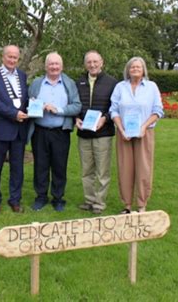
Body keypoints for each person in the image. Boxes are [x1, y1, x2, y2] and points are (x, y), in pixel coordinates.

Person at [109, 57, 164, 214]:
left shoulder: (151, 87)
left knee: (144, 168)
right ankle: (126, 205)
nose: (135, 69)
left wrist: (143, 127)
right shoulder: (120, 87)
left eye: (138, 67)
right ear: (128, 70)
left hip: (144, 133)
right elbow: (113, 110)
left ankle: (141, 205)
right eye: (132, 67)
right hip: (124, 133)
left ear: (143, 69)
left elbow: (158, 110)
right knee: (125, 168)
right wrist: (120, 128)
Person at [28, 52, 81, 212]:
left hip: (60, 132)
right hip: (39, 131)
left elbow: (77, 106)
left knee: (59, 166)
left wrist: (57, 110)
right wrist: (36, 106)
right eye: (51, 64)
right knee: (40, 165)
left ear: (62, 66)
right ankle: (41, 197)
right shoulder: (37, 83)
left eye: (57, 64)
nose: (54, 67)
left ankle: (58, 198)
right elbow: (29, 103)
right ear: (46, 66)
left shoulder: (69, 83)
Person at [0, 45, 29, 214]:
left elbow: (24, 100)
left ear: (18, 59)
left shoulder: (22, 76)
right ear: (3, 57)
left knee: (17, 168)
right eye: (9, 57)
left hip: (19, 130)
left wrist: (36, 107)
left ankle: (15, 200)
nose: (12, 60)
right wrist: (14, 113)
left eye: (15, 57)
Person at [75, 51, 118, 215]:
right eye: (89, 62)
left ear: (102, 62)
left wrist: (105, 119)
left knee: (102, 171)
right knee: (86, 170)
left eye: (95, 62)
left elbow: (115, 106)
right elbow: (76, 104)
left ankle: (99, 203)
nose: (92, 65)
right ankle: (89, 200)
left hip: (103, 133)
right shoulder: (79, 82)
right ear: (85, 64)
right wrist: (76, 118)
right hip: (84, 134)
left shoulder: (112, 83)